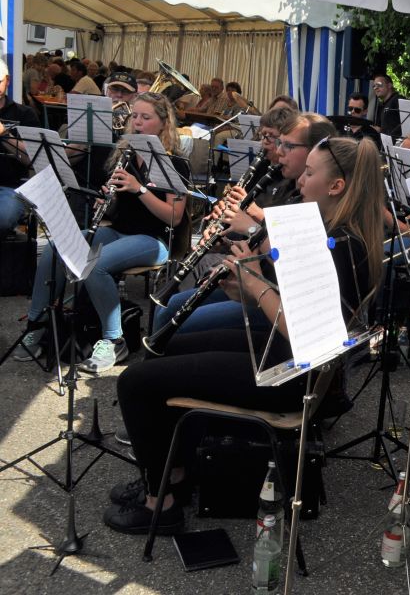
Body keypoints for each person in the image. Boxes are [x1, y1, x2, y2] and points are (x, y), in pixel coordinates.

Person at [105, 134, 384, 535]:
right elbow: (288, 304)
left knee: (134, 382)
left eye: (309, 173)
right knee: (167, 349)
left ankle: (159, 504)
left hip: (291, 376)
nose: (300, 181)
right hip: (284, 357)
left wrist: (253, 280)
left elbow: (306, 334)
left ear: (336, 186)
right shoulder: (329, 232)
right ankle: (173, 474)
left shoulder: (341, 245)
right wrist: (245, 289)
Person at [13, 92, 190, 373]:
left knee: (95, 266)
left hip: (154, 239)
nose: (137, 123)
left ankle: (113, 340)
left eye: (146, 117)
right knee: (56, 248)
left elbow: (174, 216)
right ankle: (38, 324)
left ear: (163, 123)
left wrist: (139, 189)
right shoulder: (126, 155)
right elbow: (119, 210)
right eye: (135, 116)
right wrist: (107, 200)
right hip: (119, 231)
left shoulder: (174, 164)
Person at [151, 113, 336, 336]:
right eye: (277, 142)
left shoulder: (311, 200)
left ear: (314, 151)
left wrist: (250, 225)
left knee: (179, 327)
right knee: (171, 308)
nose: (278, 151)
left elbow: (291, 263)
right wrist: (227, 242)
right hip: (255, 282)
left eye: (287, 145)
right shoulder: (288, 186)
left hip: (274, 299)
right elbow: (260, 245)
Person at [0, 59, 42, 235]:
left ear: (7, 81)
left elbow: (34, 158)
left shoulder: (24, 114)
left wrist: (4, 135)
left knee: (3, 218)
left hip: (11, 186)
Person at [370, 73, 402, 139]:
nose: (376, 88)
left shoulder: (398, 99)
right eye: (374, 86)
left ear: (389, 85)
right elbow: (381, 128)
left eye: (379, 85)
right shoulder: (381, 105)